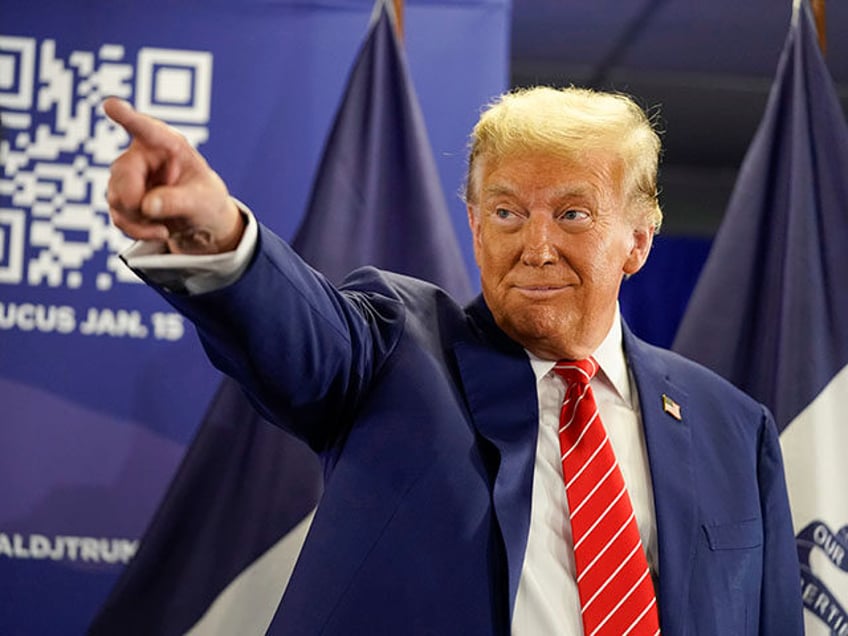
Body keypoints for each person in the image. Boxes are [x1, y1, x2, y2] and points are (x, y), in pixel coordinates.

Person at [103, 86, 803, 635]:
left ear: (639, 241)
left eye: (572, 215)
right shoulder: (394, 353)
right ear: (472, 222)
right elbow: (301, 331)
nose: (534, 247)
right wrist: (216, 234)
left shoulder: (733, 430)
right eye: (505, 213)